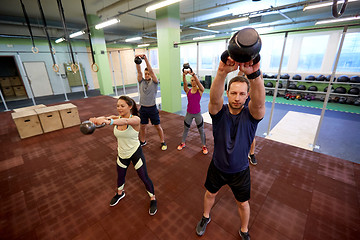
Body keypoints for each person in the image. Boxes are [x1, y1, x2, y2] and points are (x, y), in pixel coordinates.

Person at [195, 56, 265, 240]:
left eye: (242, 94)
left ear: (247, 95)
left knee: (243, 204)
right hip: (217, 167)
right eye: (233, 93)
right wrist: (221, 73)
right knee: (210, 194)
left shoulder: (252, 115)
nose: (237, 97)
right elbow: (214, 97)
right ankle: (205, 217)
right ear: (227, 93)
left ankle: (244, 230)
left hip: (240, 171)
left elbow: (259, 102)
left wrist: (255, 75)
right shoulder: (219, 112)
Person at [89, 95, 157, 215]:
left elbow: (124, 121)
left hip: (135, 153)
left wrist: (108, 121)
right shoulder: (116, 118)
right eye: (117, 106)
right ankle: (120, 193)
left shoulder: (136, 119)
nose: (119, 108)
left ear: (130, 106)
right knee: (120, 176)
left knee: (144, 177)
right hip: (122, 153)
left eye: (122, 106)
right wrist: (95, 120)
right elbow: (107, 117)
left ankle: (153, 198)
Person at [135, 54, 167, 151]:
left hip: (152, 108)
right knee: (143, 126)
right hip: (143, 108)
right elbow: (139, 71)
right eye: (146, 74)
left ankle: (162, 141)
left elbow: (152, 72)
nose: (147, 75)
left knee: (157, 126)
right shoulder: (141, 81)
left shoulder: (154, 82)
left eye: (148, 73)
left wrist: (145, 59)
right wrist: (137, 61)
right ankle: (143, 141)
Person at [177, 68, 208, 155]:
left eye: (194, 80)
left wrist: (193, 74)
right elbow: (185, 85)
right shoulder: (188, 91)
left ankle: (204, 145)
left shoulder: (200, 91)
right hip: (189, 113)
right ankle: (183, 143)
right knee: (186, 129)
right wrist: (183, 75)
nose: (193, 82)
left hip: (198, 114)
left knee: (201, 130)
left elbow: (200, 85)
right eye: (192, 80)